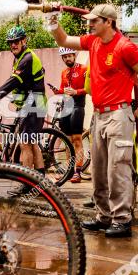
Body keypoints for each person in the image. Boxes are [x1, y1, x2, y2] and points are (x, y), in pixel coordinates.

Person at [50, 4, 138, 238]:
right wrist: (53, 22)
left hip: (119, 114)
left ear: (109, 22)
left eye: (94, 21)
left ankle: (122, 219)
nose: (89, 24)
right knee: (98, 169)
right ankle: (103, 216)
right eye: (89, 21)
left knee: (118, 169)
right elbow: (65, 40)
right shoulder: (93, 41)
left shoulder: (124, 47)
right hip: (98, 114)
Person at [0, 25, 47, 192]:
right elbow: (19, 83)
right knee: (32, 144)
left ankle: (27, 184)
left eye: (16, 41)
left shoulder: (27, 59)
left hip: (33, 103)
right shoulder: (20, 58)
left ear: (24, 40)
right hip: (34, 102)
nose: (13, 45)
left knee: (25, 144)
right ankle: (40, 183)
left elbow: (13, 82)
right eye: (10, 42)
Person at [49, 47, 88, 183]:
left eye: (69, 56)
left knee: (77, 139)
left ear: (74, 55)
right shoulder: (64, 72)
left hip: (78, 105)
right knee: (66, 140)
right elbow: (62, 90)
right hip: (66, 106)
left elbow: (89, 88)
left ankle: (78, 171)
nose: (67, 59)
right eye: (64, 57)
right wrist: (57, 91)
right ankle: (69, 170)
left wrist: (76, 92)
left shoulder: (84, 69)